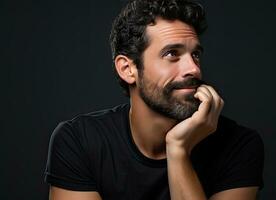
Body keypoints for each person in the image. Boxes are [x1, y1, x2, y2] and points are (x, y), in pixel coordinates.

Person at [43, 0, 264, 199]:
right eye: (172, 54)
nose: (194, 69)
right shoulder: (79, 141)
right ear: (128, 69)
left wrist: (178, 149)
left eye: (195, 55)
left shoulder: (239, 144)